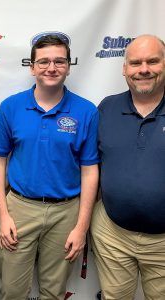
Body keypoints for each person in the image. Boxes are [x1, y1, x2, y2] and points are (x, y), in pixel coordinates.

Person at [0, 34, 99, 299]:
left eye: (59, 61)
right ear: (32, 66)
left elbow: (90, 170)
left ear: (69, 66)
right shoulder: (11, 106)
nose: (52, 68)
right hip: (20, 209)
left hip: (66, 212)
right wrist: (3, 216)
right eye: (44, 62)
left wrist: (81, 227)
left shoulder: (86, 111)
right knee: (13, 290)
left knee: (54, 291)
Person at [91, 34, 165, 300]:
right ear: (125, 69)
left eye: (152, 61)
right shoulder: (106, 108)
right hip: (113, 236)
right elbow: (89, 164)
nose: (143, 69)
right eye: (135, 63)